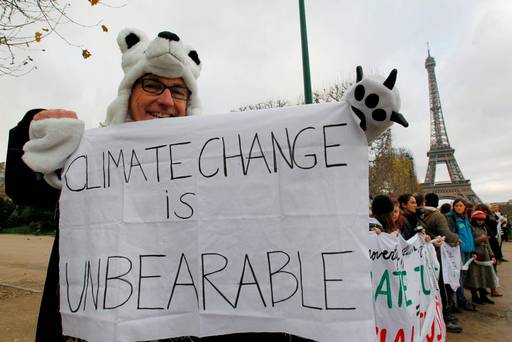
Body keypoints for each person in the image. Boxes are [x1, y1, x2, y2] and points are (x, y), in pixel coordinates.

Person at [6, 28, 407, 342]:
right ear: (129, 94)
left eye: (178, 91)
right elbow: (24, 185)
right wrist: (35, 129)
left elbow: (293, 198)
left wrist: (341, 136)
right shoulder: (91, 158)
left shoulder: (224, 163)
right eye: (152, 86)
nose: (166, 99)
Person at [420, 193, 463, 333]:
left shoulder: (422, 215)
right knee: (443, 287)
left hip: (427, 255)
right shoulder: (438, 216)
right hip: (438, 255)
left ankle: (441, 315)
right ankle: (446, 317)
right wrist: (457, 238)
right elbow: (447, 234)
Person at [445, 198, 477, 312]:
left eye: (461, 205)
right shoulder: (451, 218)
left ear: (464, 207)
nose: (459, 207)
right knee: (458, 277)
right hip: (458, 251)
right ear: (453, 207)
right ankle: (459, 301)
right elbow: (450, 233)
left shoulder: (465, 218)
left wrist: (473, 249)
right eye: (457, 205)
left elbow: (470, 234)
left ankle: (459, 301)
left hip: (467, 250)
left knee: (462, 276)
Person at [466, 210, 498, 305]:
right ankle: (475, 296)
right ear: (474, 219)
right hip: (475, 253)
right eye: (478, 220)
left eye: (482, 220)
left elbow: (487, 243)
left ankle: (483, 296)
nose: (480, 222)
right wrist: (480, 239)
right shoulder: (471, 228)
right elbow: (470, 242)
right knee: (475, 276)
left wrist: (492, 255)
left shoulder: (484, 228)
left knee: (483, 275)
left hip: (485, 254)